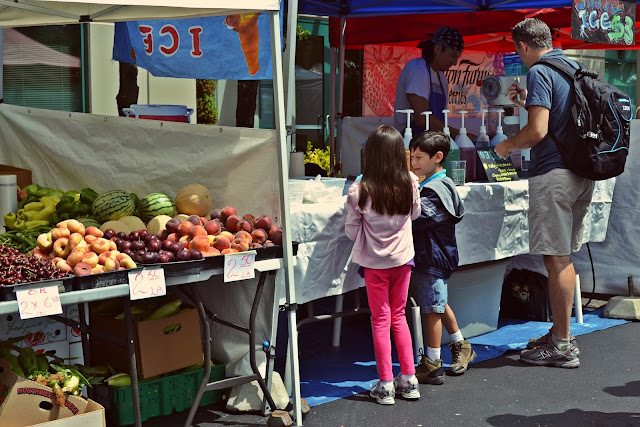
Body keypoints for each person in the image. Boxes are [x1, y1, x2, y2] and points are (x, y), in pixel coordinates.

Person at [494, 18, 594, 368]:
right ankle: (559, 333)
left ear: (522, 46)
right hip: (582, 172)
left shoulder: (539, 71)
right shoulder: (574, 67)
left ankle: (562, 345)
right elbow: (558, 121)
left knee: (556, 257)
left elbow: (537, 131)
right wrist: (526, 103)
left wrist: (507, 146)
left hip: (553, 173)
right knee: (564, 254)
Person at [345, 125, 421, 405]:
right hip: (403, 260)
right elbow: (415, 214)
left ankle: (386, 383)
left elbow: (351, 232)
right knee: (399, 316)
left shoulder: (359, 190)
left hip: (374, 263)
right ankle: (409, 379)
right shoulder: (411, 182)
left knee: (380, 320)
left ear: (371, 155)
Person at [408, 130, 475, 384]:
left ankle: (432, 363)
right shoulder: (435, 184)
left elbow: (418, 219)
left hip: (433, 256)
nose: (414, 162)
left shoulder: (434, 190)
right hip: (434, 254)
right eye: (412, 157)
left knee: (432, 308)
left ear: (438, 157)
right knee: (437, 300)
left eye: (419, 157)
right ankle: (461, 345)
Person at [394, 26, 468, 139]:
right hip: (410, 143)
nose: (454, 62)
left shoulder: (441, 77)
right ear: (437, 49)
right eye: (452, 56)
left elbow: (439, 120)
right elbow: (421, 118)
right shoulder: (417, 69)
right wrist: (459, 135)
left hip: (432, 142)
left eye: (457, 57)